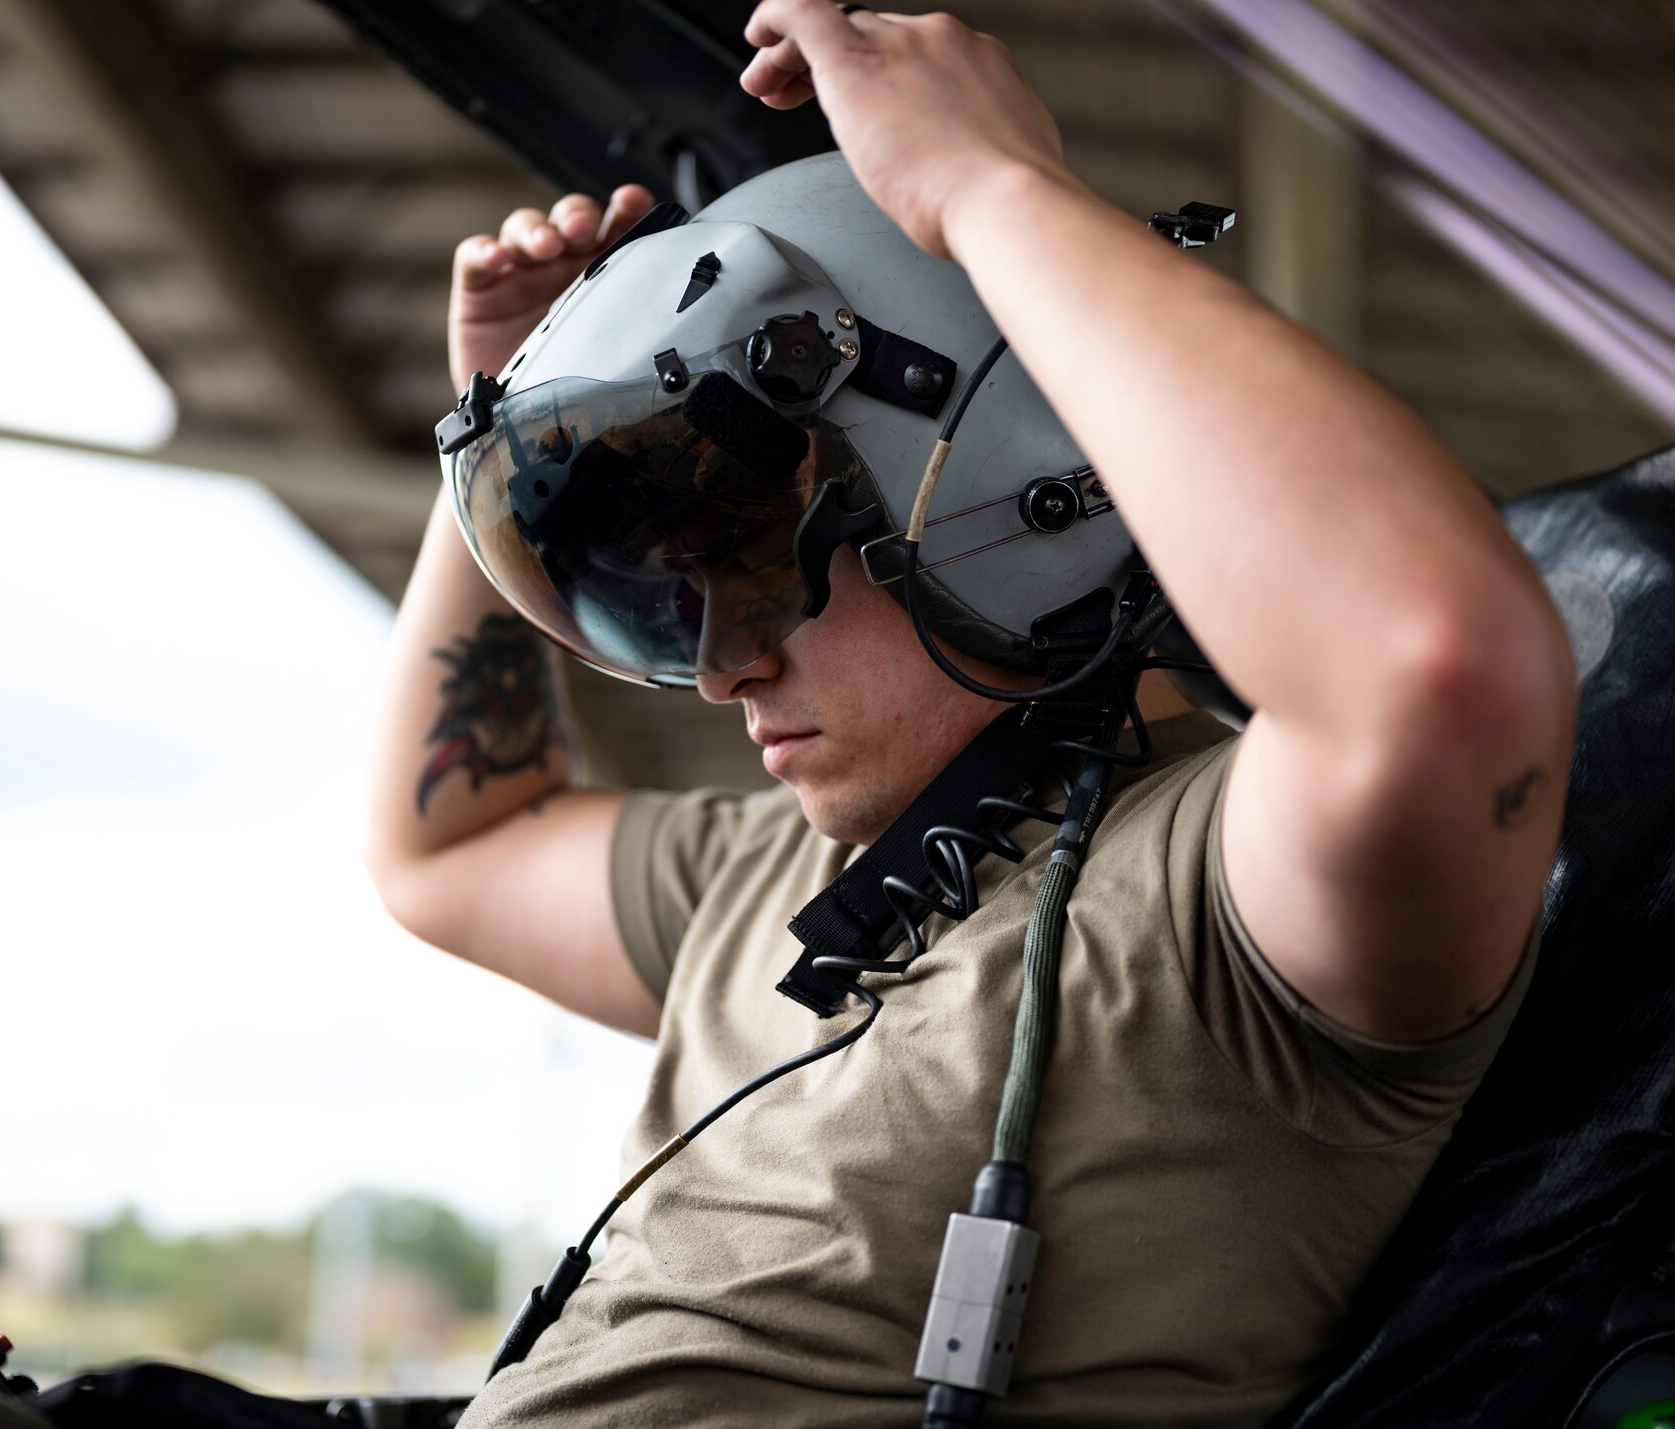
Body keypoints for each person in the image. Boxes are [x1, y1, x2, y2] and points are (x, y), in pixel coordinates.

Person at [364, 4, 1577, 1424]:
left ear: (1003, 484)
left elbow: (1435, 658)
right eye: (677, 598)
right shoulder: (769, 877)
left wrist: (990, 190)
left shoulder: (1227, 906)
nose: (718, 668)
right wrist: (496, 419)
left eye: (752, 567)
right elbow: (447, 846)